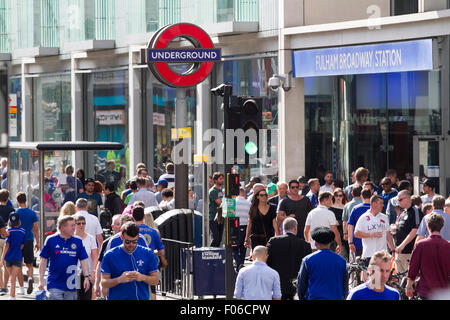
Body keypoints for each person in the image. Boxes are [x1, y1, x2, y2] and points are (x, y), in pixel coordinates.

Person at [101, 222, 159, 300]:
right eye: (127, 242)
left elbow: (155, 280)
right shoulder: (109, 255)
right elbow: (104, 282)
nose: (131, 244)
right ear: (122, 237)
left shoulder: (148, 254)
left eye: (134, 241)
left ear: (138, 237)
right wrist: (119, 279)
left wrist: (142, 277)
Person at [38, 215, 91, 300]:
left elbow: (84, 260)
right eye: (72, 225)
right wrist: (41, 280)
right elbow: (43, 260)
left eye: (74, 225)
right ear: (62, 227)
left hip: (72, 283)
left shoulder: (78, 241)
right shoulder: (51, 240)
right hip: (54, 283)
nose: (74, 228)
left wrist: (86, 277)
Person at [406, 213, 450, 300]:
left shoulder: (420, 245)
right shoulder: (448, 245)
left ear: (428, 227)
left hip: (426, 290)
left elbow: (413, 267)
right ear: (441, 226)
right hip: (444, 291)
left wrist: (409, 285)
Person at [297, 227, 348, 300]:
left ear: (315, 243)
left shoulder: (307, 260)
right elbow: (345, 285)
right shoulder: (342, 261)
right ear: (330, 243)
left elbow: (301, 285)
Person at [267, 217, 311, 300]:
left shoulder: (273, 241)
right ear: (295, 228)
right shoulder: (305, 245)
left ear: (283, 228)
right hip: (296, 284)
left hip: (277, 284)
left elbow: (267, 262)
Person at [132, 206, 166, 300]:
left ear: (132, 217)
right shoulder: (153, 232)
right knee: (152, 289)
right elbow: (162, 251)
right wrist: (153, 253)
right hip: (150, 264)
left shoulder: (130, 231)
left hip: (133, 263)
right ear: (143, 216)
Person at [354, 195, 396, 261]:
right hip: (369, 254)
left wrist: (393, 250)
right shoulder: (364, 217)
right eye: (381, 203)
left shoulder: (384, 217)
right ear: (374, 204)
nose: (383, 205)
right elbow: (356, 233)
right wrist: (371, 235)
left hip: (383, 255)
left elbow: (388, 235)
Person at [94, 214, 125, 298]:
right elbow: (100, 265)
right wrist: (97, 284)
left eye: (122, 224)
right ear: (112, 226)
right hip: (112, 284)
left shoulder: (133, 241)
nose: (120, 227)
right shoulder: (107, 243)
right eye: (118, 224)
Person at [15, 192, 40, 295]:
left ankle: (21, 288)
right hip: (29, 239)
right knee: (29, 264)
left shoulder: (15, 213)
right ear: (26, 200)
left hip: (18, 241)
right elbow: (36, 229)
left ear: (17, 201)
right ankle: (30, 278)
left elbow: (13, 227)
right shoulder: (32, 213)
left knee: (18, 264)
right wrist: (38, 242)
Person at [393, 190, 423, 274]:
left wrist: (402, 245)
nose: (398, 202)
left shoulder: (415, 210)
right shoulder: (403, 212)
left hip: (409, 252)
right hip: (399, 252)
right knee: (399, 280)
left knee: (409, 279)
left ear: (408, 199)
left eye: (400, 199)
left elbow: (416, 230)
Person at [0, 212, 25, 300]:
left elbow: (6, 246)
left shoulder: (8, 232)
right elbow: (22, 245)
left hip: (8, 257)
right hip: (17, 256)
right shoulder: (23, 231)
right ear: (19, 221)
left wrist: (2, 259)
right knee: (13, 278)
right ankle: (12, 296)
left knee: (12, 277)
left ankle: (12, 296)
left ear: (9, 221)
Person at [74, 214, 98, 300]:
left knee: (86, 296)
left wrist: (94, 272)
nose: (81, 225)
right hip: (74, 273)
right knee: (75, 296)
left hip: (86, 273)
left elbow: (95, 256)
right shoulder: (71, 238)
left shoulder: (91, 238)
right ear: (74, 224)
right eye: (79, 223)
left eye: (83, 223)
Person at [347, 188, 372, 259]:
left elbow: (350, 226)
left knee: (359, 266)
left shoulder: (356, 209)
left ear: (361, 196)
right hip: (372, 242)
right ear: (371, 196)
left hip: (357, 242)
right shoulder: (374, 209)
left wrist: (350, 242)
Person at [342, 184, 363, 254]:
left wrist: (345, 233)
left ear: (352, 194)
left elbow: (345, 221)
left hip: (352, 235)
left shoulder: (347, 205)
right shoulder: (366, 204)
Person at [0, 189, 14, 295]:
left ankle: (1, 286)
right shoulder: (11, 210)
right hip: (7, 238)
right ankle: (5, 286)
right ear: (7, 198)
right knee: (6, 263)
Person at [234, 187, 251, 271]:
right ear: (244, 194)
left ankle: (238, 263)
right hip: (245, 227)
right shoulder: (248, 203)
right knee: (243, 247)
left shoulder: (233, 202)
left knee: (234, 248)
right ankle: (241, 263)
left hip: (235, 227)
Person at [329, 188, 348, 259]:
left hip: (343, 231)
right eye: (336, 195)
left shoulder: (345, 207)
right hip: (333, 232)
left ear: (343, 196)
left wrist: (339, 222)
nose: (338, 197)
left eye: (340, 195)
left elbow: (347, 219)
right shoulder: (330, 207)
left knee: (343, 254)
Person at [209, 172, 224, 247]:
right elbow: (219, 202)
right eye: (220, 179)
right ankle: (211, 253)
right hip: (213, 218)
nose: (222, 180)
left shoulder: (220, 190)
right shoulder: (213, 191)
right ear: (215, 180)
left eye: (222, 178)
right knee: (216, 238)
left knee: (219, 239)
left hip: (220, 218)